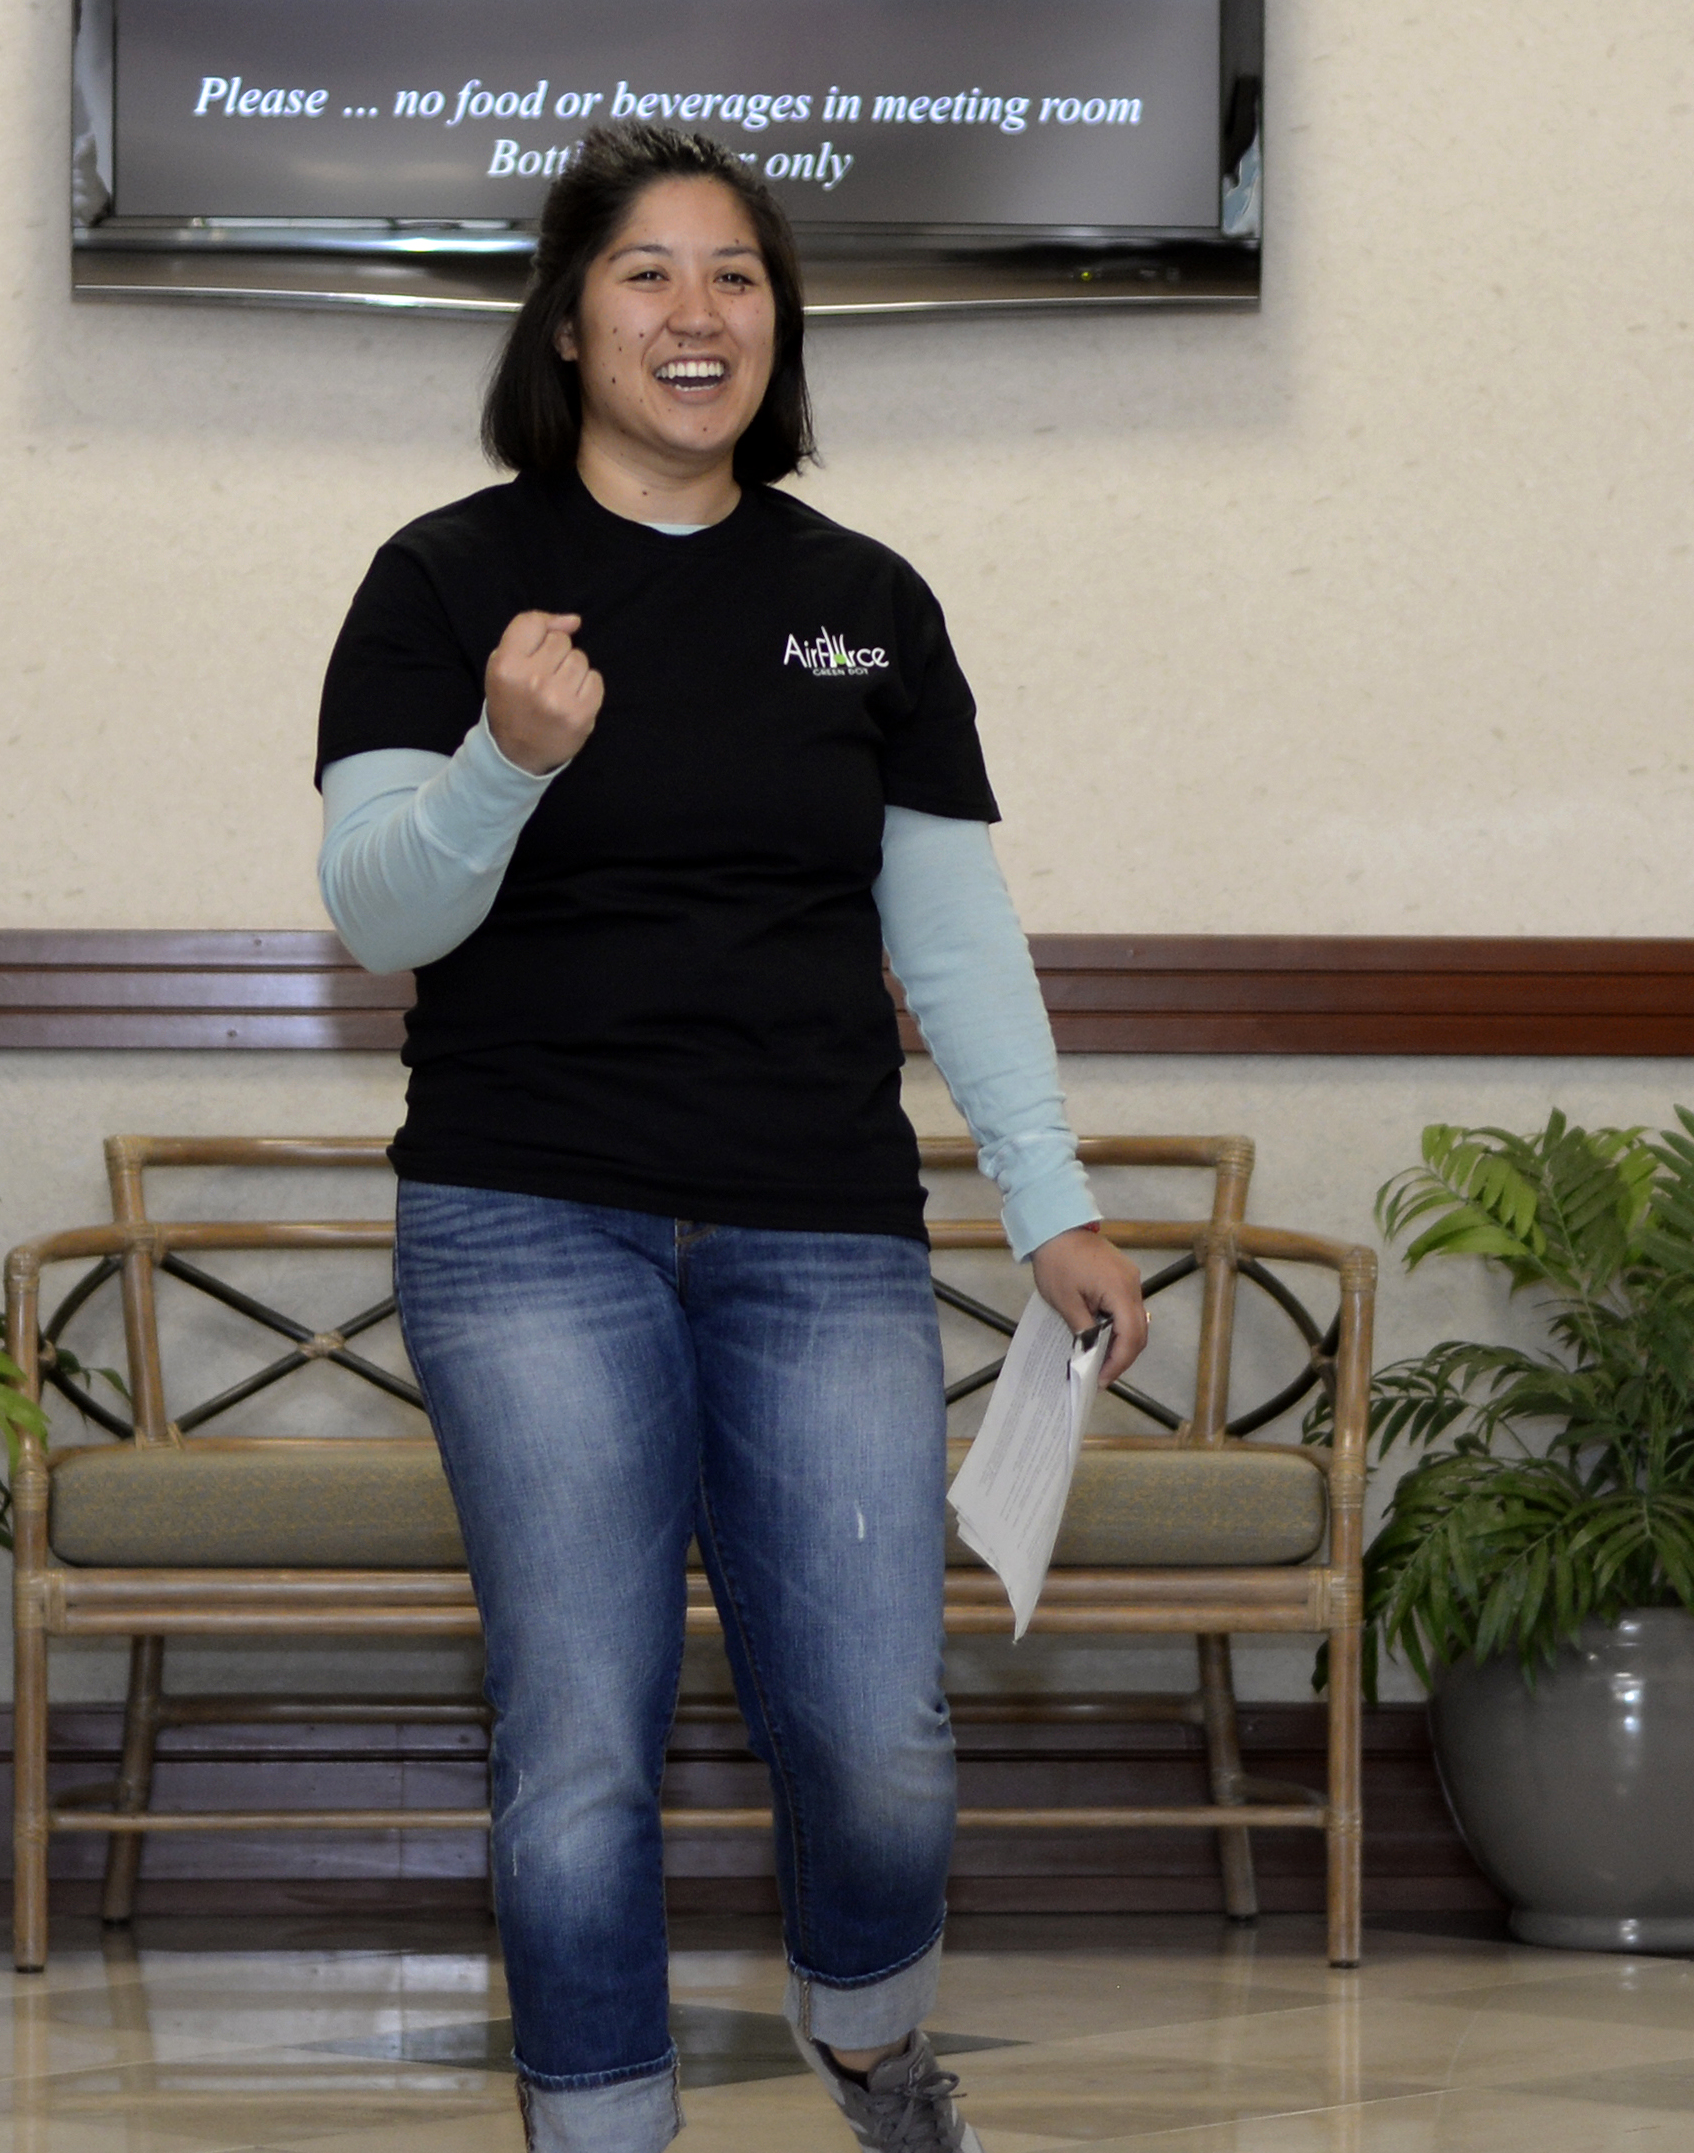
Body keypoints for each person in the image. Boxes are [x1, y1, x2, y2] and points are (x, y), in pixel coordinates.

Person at [311, 124, 1142, 2153]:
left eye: (739, 275)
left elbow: (950, 930)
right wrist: (505, 764)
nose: (699, 314)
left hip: (817, 1223)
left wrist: (1054, 1202)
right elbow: (375, 910)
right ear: (569, 320)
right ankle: (603, 2126)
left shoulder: (862, 602)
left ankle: (868, 2039)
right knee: (580, 1741)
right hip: (524, 1221)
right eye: (648, 274)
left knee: (880, 1740)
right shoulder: (444, 579)